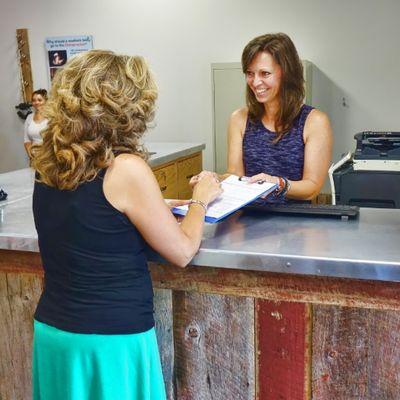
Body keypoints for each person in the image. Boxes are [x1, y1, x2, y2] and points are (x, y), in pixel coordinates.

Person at [30, 50, 222, 400]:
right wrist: (201, 199)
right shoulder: (125, 169)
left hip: (54, 334)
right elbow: (181, 251)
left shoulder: (48, 163)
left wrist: (154, 206)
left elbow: (89, 214)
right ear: (127, 106)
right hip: (110, 344)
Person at [195, 33, 333, 204]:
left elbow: (312, 188)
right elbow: (234, 175)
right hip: (248, 219)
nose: (255, 82)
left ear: (286, 74)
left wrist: (277, 183)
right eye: (250, 73)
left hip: (295, 222)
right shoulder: (239, 119)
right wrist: (214, 178)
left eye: (265, 73)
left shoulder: (315, 122)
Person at [23, 89, 48, 158]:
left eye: (39, 100)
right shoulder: (29, 117)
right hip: (35, 158)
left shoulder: (51, 117)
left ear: (46, 101)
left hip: (49, 158)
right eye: (34, 100)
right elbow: (26, 140)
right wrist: (30, 154)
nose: (36, 102)